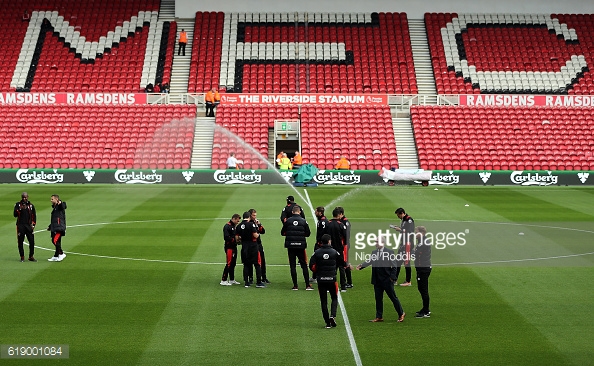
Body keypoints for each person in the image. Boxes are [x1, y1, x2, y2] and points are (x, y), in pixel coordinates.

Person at [356, 239, 406, 323]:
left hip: (387, 279)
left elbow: (394, 266)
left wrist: (392, 277)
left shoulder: (389, 252)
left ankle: (401, 313)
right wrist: (362, 266)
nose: (376, 244)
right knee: (378, 299)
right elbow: (370, 261)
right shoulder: (374, 252)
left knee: (393, 297)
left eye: (377, 242)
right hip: (377, 280)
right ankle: (379, 316)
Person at [309, 234, 345, 328]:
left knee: (323, 301)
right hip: (332, 279)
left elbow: (311, 265)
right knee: (334, 298)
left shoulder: (317, 252)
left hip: (321, 280)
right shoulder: (334, 252)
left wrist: (317, 271)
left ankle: (327, 323)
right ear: (329, 241)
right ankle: (332, 316)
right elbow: (342, 262)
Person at [281, 205, 313, 290]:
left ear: (292, 212)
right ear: (300, 212)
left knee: (292, 265)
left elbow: (282, 232)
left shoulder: (287, 221)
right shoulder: (303, 221)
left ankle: (295, 286)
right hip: (301, 246)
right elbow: (308, 233)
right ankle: (307, 285)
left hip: (290, 246)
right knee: (304, 265)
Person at [236, 212, 265, 288]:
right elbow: (255, 235)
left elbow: (237, 238)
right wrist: (258, 233)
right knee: (257, 264)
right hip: (253, 247)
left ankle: (246, 282)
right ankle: (259, 282)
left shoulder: (239, 226)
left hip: (244, 247)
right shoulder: (251, 224)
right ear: (249, 217)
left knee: (246, 264)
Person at [390, 207, 415, 286]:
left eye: (398, 215)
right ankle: (394, 279)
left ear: (402, 213)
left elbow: (410, 232)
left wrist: (400, 230)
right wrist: (399, 228)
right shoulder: (404, 220)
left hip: (408, 244)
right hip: (403, 243)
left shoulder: (409, 220)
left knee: (406, 262)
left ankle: (408, 281)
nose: (398, 217)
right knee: (398, 261)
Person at [327, 207, 348, 292]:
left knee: (331, 268)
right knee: (341, 268)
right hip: (339, 250)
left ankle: (330, 286)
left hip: (330, 249)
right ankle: (343, 287)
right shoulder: (341, 225)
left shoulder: (328, 224)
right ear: (339, 215)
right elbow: (346, 238)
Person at [414, 226, 432, 318]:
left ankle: (426, 311)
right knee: (421, 288)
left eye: (416, 232)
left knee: (423, 289)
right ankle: (425, 308)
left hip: (423, 268)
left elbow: (415, 252)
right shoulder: (422, 240)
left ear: (421, 233)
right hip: (422, 267)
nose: (415, 233)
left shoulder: (423, 242)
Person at [14, 192, 37, 262]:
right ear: (21, 197)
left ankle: (31, 256)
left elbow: (34, 215)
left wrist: (33, 224)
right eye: (23, 197)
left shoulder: (31, 205)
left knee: (32, 242)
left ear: (28, 197)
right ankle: (22, 257)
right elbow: (15, 214)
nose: (24, 198)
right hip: (20, 225)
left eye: (25, 197)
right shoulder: (18, 205)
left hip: (29, 226)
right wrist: (19, 210)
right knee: (20, 241)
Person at [249, 208, 270, 284]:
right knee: (251, 262)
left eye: (255, 215)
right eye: (253, 215)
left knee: (262, 261)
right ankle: (250, 278)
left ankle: (263, 277)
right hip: (251, 245)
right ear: (250, 215)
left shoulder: (256, 222)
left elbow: (263, 231)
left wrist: (259, 224)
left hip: (258, 244)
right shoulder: (248, 223)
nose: (255, 217)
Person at [221, 214, 242, 286]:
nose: (238, 222)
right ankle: (223, 280)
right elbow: (226, 238)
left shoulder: (233, 226)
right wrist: (235, 240)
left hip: (233, 247)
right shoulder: (227, 226)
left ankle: (232, 279)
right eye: (237, 220)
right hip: (229, 248)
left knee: (233, 264)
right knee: (229, 263)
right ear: (234, 219)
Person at [336, 206, 353, 289]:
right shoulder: (342, 221)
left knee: (345, 263)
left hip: (345, 245)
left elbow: (346, 235)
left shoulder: (345, 222)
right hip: (343, 244)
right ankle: (348, 282)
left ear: (341, 214)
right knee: (344, 262)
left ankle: (349, 282)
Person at [47, 194, 67, 262]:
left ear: (56, 199)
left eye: (52, 199)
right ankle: (56, 255)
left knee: (54, 240)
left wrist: (60, 202)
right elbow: (54, 219)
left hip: (59, 227)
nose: (51, 200)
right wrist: (50, 226)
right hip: (55, 226)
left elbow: (63, 206)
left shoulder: (60, 205)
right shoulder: (55, 207)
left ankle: (61, 253)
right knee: (58, 241)